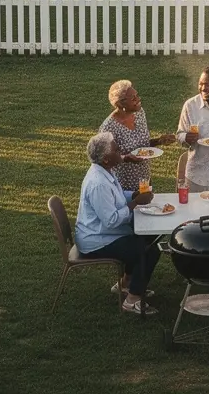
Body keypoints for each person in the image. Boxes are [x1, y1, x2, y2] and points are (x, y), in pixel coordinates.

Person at [74, 132, 162, 315]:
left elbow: (118, 196)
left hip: (102, 232)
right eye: (116, 149)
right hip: (96, 240)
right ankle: (132, 300)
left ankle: (127, 284)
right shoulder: (98, 183)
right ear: (106, 159)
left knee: (150, 236)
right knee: (149, 250)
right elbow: (111, 220)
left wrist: (134, 195)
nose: (120, 150)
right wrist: (136, 203)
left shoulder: (105, 171)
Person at [99, 80, 176, 191]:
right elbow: (104, 159)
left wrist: (159, 141)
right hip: (122, 184)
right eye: (133, 98)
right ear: (121, 104)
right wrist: (126, 158)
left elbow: (141, 145)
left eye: (137, 95)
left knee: (147, 201)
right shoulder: (108, 127)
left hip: (144, 179)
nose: (138, 99)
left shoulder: (139, 113)